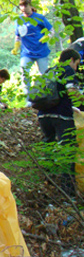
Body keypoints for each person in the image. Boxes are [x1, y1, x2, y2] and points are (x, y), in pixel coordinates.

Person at [37, 49, 84, 196]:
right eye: (76, 64)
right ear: (71, 60)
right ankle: (68, 192)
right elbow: (71, 91)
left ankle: (47, 183)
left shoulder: (49, 71)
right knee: (68, 152)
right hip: (62, 117)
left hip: (43, 116)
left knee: (49, 147)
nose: (76, 68)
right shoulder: (68, 69)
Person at [11, 0, 54, 94]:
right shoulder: (19, 20)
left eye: (25, 5)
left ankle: (46, 95)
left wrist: (47, 37)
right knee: (24, 73)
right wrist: (16, 46)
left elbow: (51, 30)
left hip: (41, 52)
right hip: (26, 52)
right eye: (21, 6)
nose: (23, 8)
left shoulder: (39, 18)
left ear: (30, 5)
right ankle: (28, 98)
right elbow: (17, 35)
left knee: (44, 75)